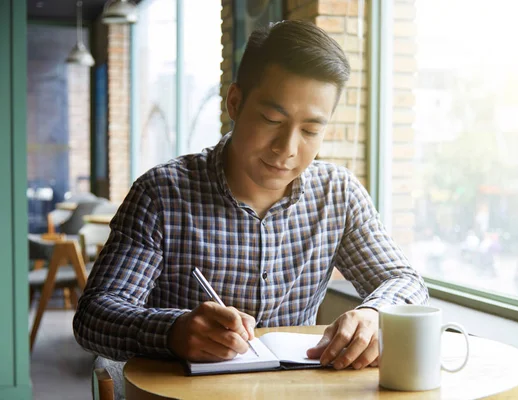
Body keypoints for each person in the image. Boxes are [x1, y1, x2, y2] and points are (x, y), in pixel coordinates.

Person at [73, 20, 427, 375]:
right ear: (235, 102)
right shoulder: (163, 194)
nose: (287, 149)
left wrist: (374, 314)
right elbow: (95, 315)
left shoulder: (337, 194)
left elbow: (406, 281)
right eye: (272, 119)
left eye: (310, 130)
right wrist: (173, 331)